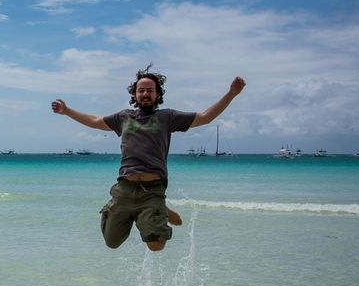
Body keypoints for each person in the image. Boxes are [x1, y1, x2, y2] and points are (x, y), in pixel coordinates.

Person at [52, 66, 245, 252]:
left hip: (152, 189)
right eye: (141, 90)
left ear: (158, 95)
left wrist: (231, 94)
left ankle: (157, 208)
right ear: (134, 95)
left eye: (150, 91)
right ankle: (159, 210)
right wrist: (67, 111)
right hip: (124, 188)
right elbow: (95, 122)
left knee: (156, 246)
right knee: (112, 243)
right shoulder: (123, 117)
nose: (145, 94)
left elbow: (204, 117)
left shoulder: (167, 117)